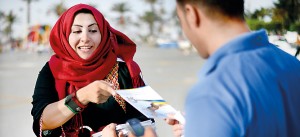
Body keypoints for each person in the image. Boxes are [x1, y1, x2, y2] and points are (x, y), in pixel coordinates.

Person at [165, 0, 300, 137]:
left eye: (180, 19)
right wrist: (200, 123)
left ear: (191, 14)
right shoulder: (292, 64)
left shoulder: (211, 94)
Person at [31, 4, 152, 137]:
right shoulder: (52, 70)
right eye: (77, 31)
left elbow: (147, 122)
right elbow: (43, 121)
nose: (85, 38)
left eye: (93, 30)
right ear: (64, 34)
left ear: (103, 34)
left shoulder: (125, 68)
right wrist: (81, 97)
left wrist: (127, 132)